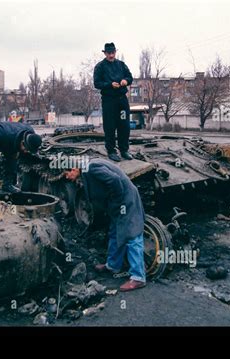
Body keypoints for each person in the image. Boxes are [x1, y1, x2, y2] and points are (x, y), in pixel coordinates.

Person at [65, 158, 146, 291]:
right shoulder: (86, 169)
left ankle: (138, 277)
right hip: (117, 204)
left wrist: (117, 201)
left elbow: (114, 180)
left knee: (133, 235)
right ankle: (113, 265)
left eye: (67, 174)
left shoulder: (91, 168)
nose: (67, 178)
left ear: (73, 169)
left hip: (125, 200)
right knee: (114, 232)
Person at [0, 122, 42, 194]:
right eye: (26, 149)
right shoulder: (2, 134)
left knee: (13, 159)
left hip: (12, 141)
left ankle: (7, 185)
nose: (26, 151)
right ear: (22, 142)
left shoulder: (31, 135)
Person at [93, 42, 133, 162]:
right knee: (110, 126)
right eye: (109, 53)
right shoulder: (100, 66)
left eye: (113, 53)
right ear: (105, 53)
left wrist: (126, 81)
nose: (111, 55)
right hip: (109, 100)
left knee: (124, 125)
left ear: (115, 52)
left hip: (122, 99)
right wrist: (110, 85)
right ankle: (111, 151)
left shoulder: (121, 65)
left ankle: (124, 150)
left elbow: (130, 77)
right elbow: (97, 83)